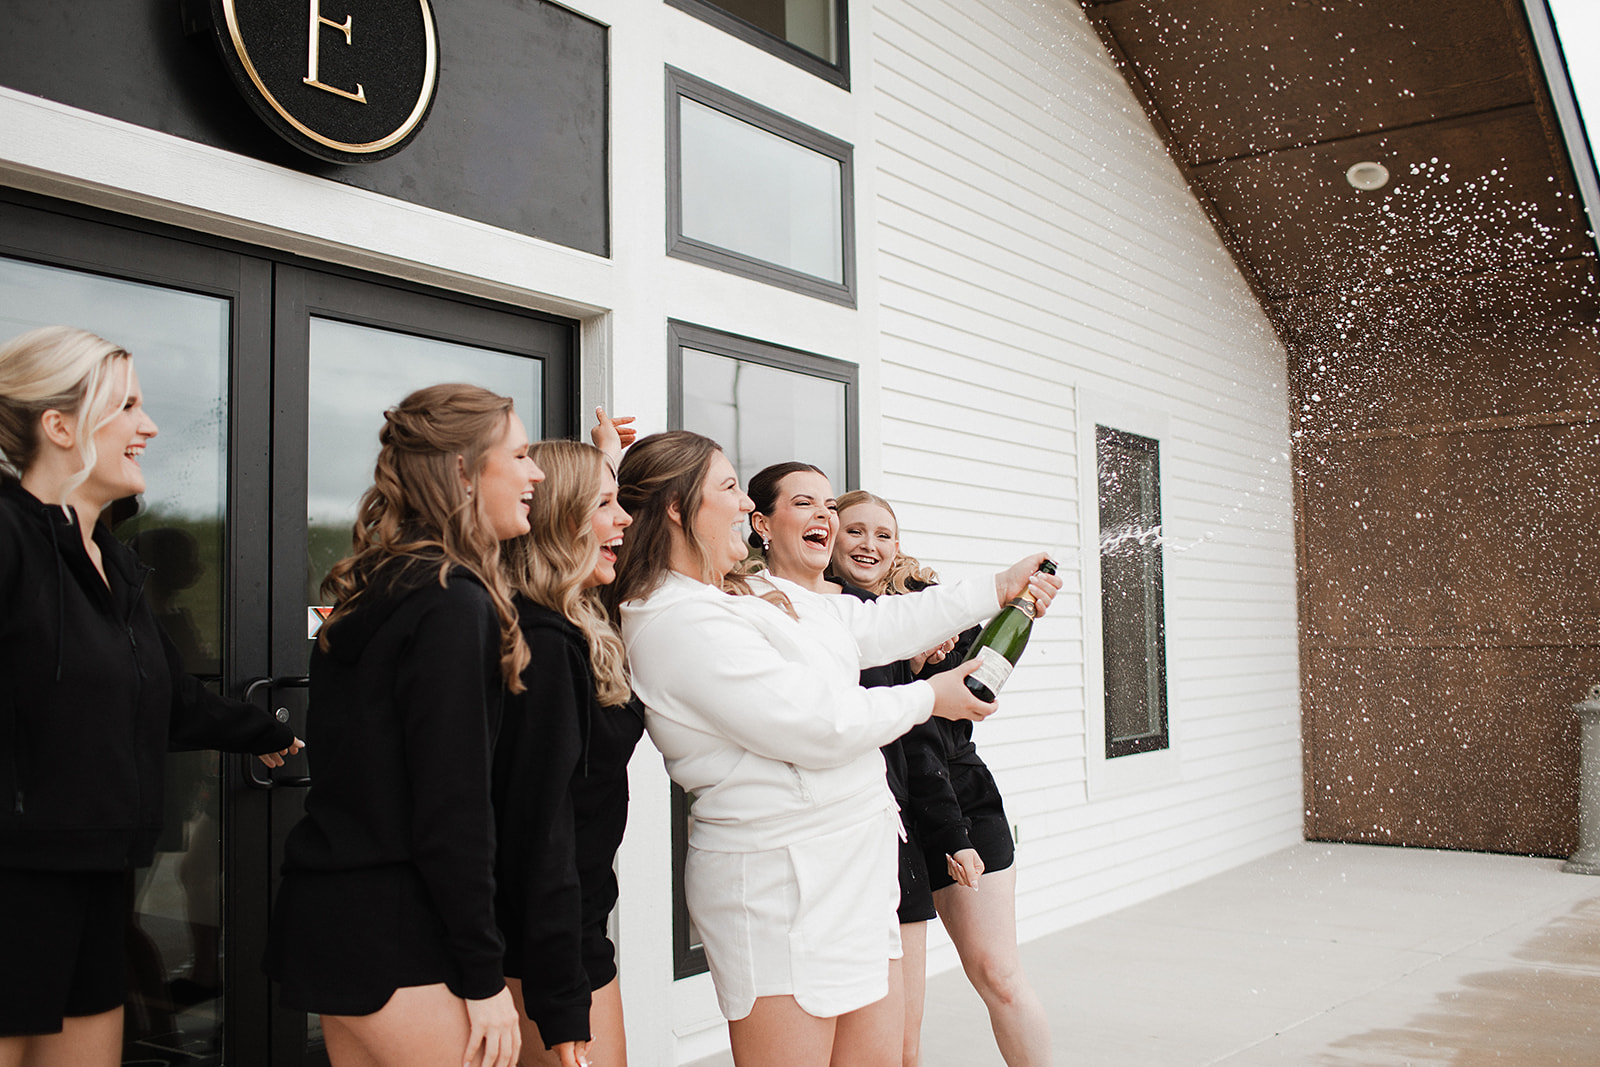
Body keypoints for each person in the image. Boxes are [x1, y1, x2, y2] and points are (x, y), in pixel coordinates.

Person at [604, 432, 1060, 1067]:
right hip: (777, 887)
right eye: (731, 487)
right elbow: (816, 724)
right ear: (677, 507)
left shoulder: (746, 591)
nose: (743, 505)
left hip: (860, 869)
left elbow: (869, 625)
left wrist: (997, 588)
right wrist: (931, 698)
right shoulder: (672, 620)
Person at [0, 325, 299, 1066]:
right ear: (59, 424)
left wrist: (265, 728)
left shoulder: (119, 568)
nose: (150, 426)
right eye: (127, 405)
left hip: (100, 871)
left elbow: (168, 701)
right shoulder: (7, 537)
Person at [263, 383, 542, 1067]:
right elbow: (451, 808)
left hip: (337, 923)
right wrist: (484, 975)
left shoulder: (381, 586)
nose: (535, 473)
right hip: (403, 945)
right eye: (521, 454)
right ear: (461, 470)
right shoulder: (451, 602)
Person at [831, 490, 1053, 1067]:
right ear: (828, 537)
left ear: (898, 546)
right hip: (883, 816)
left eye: (883, 534)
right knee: (899, 1023)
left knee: (999, 974)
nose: (869, 545)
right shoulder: (822, 616)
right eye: (854, 531)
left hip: (957, 800)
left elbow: (962, 706)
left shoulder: (926, 610)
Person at [746, 467, 953, 1067]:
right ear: (763, 525)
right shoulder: (748, 607)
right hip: (803, 849)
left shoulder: (874, 615)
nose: (860, 540)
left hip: (889, 831)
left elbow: (925, 742)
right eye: (848, 525)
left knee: (892, 1042)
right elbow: (821, 724)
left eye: (827, 505)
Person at [494, 434, 641, 1067]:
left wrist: (604, 460)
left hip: (571, 921)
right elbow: (537, 827)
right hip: (542, 936)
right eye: (606, 503)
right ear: (559, 520)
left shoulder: (576, 621)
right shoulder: (543, 646)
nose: (625, 518)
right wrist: (557, 990)